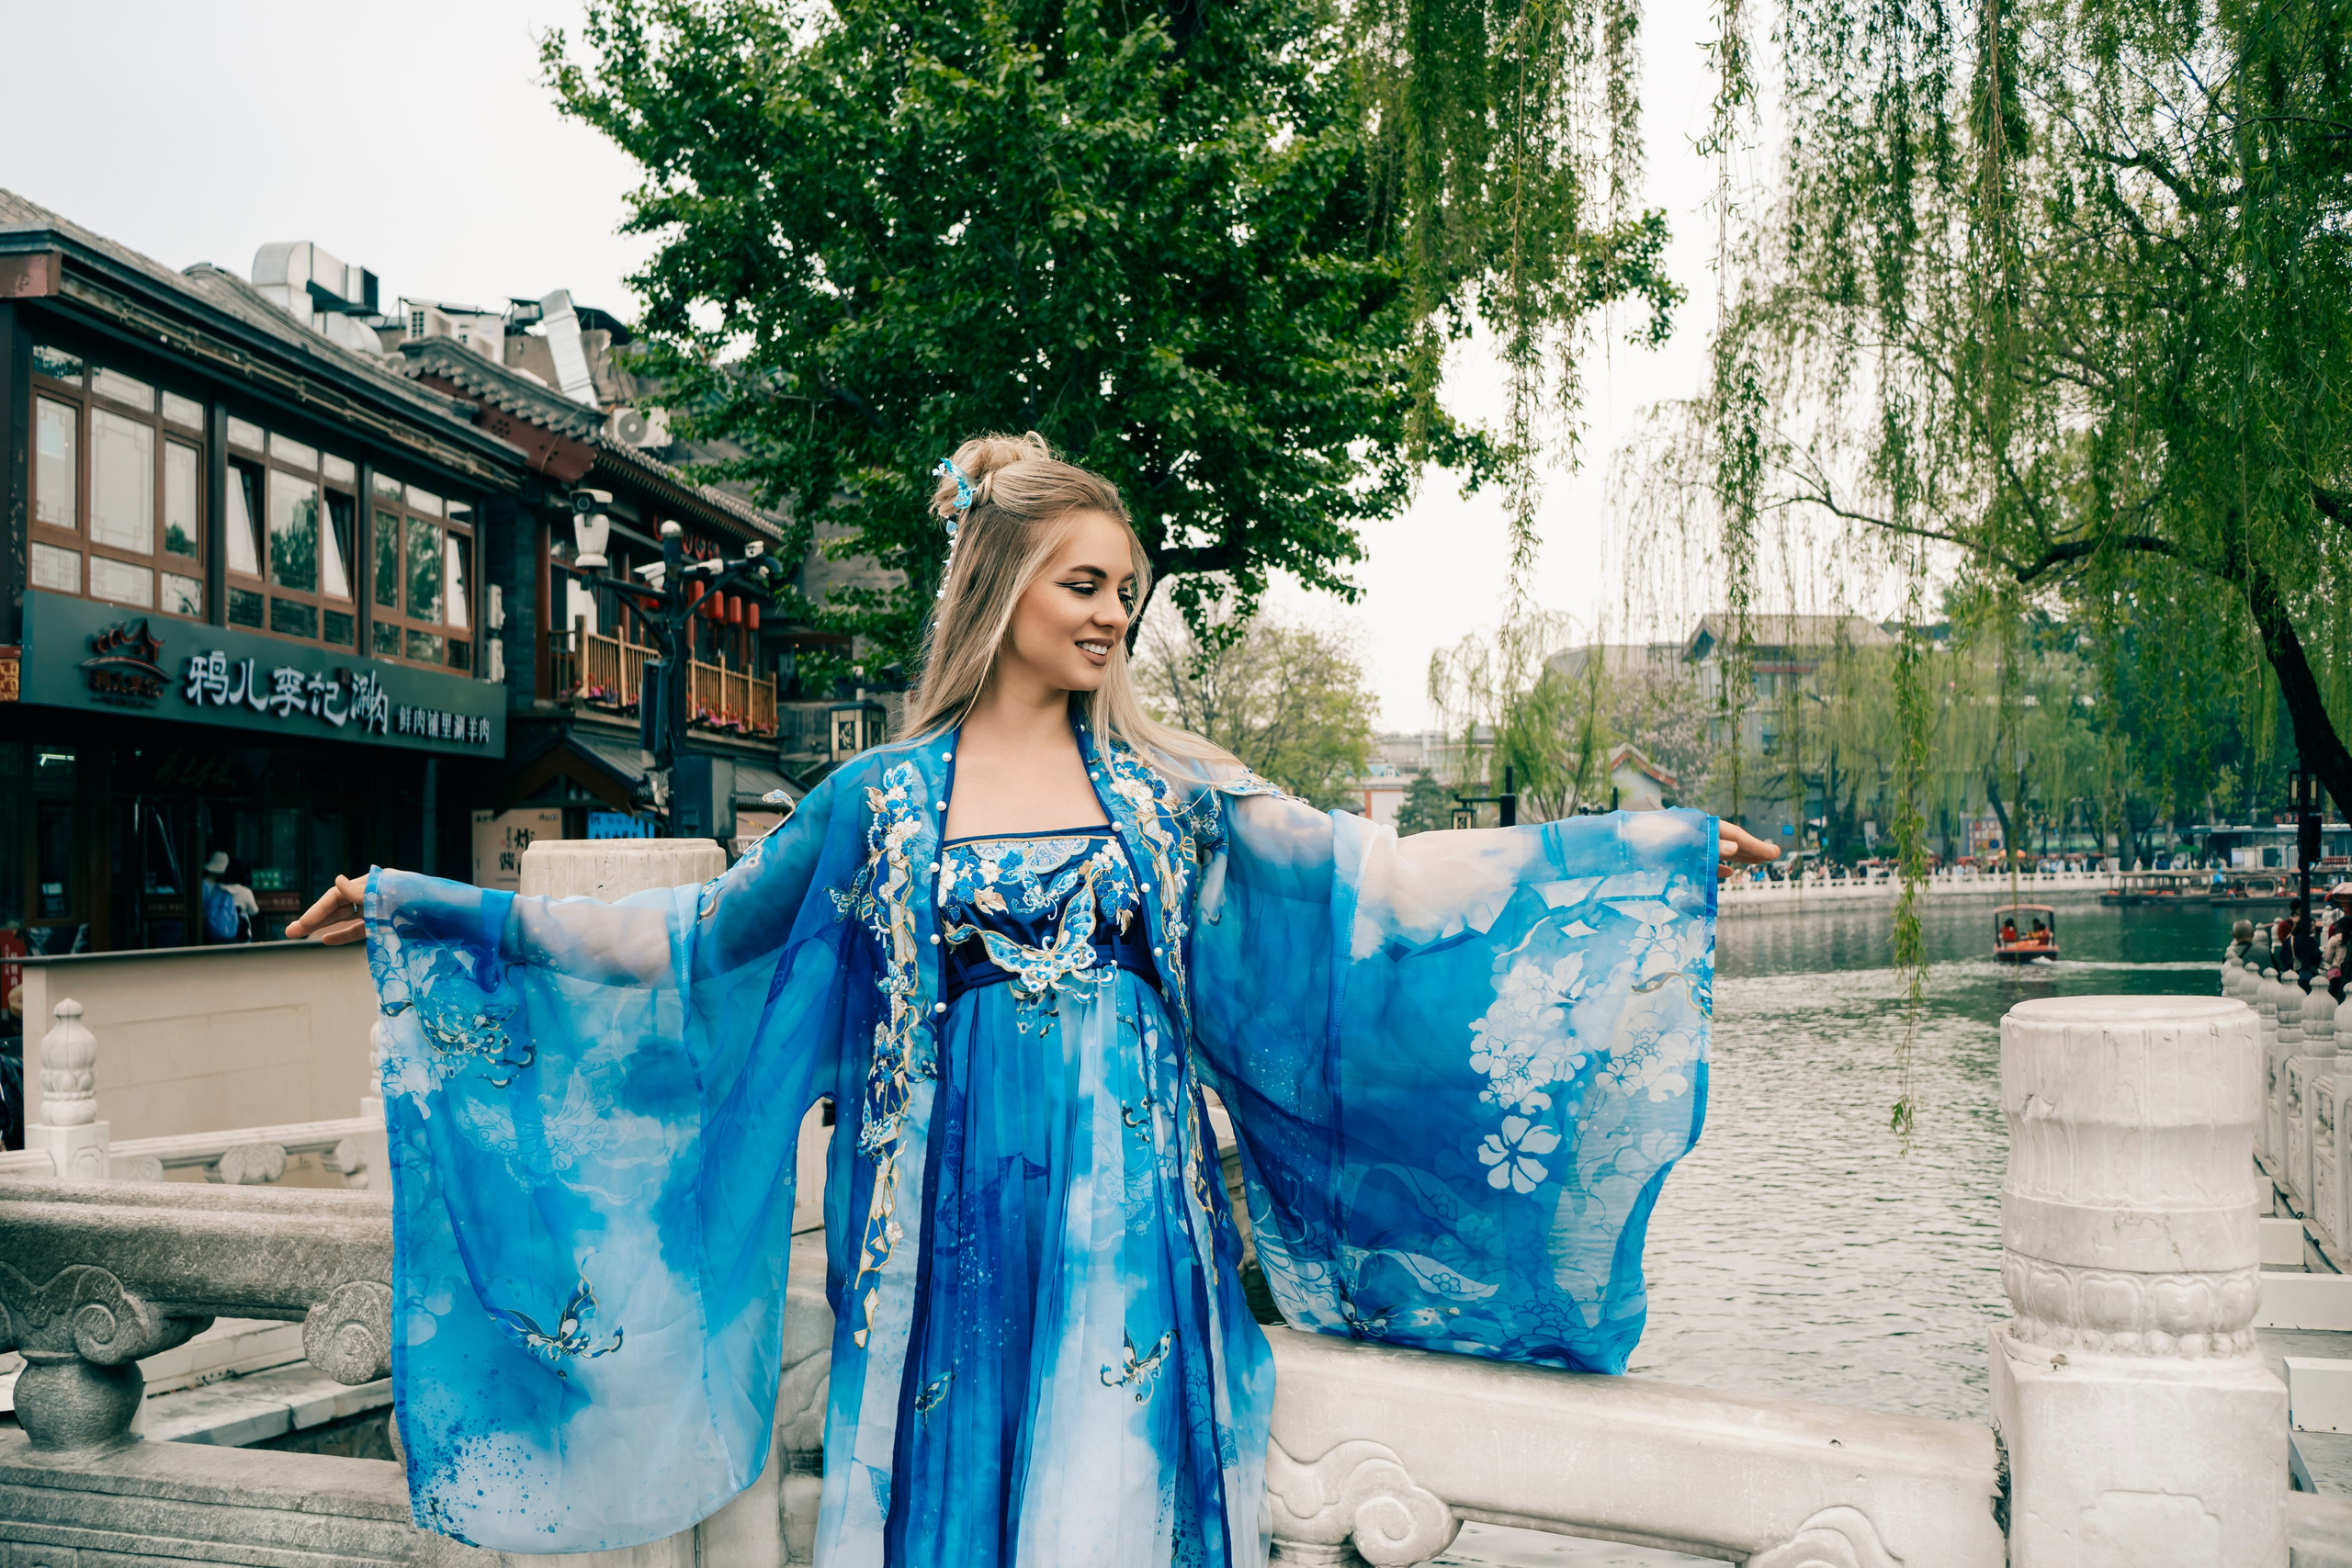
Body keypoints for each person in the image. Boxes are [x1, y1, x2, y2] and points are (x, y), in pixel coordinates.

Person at [291, 433, 1780, 1562]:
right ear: (1000, 591)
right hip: (940, 1243)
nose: (1114, 614)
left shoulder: (1165, 800)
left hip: (1139, 1241)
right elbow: (699, 949)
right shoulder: (874, 807)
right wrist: (435, 907)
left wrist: (1645, 854)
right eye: (1084, 583)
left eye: (1128, 592)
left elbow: (1372, 888)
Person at [199, 852, 255, 944]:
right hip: (232, 933)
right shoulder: (216, 887)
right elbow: (254, 911)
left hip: (211, 930)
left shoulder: (213, 886)